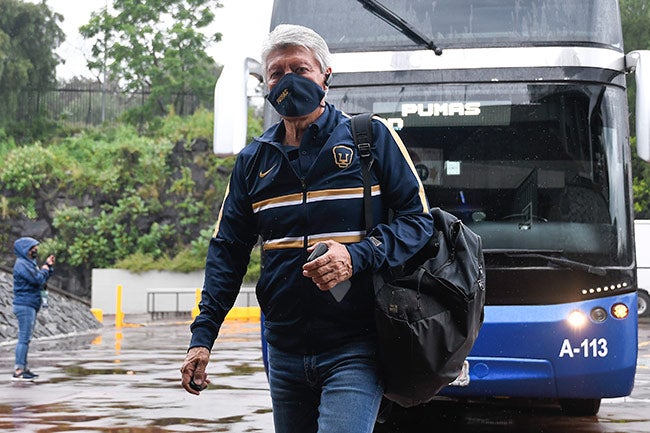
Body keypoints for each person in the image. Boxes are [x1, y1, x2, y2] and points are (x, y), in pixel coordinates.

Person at [180, 24, 433, 432]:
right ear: (266, 83)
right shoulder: (252, 162)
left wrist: (355, 255)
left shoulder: (371, 139)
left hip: (356, 344)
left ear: (326, 77)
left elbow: (418, 223)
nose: (288, 80)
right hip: (283, 350)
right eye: (277, 73)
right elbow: (227, 252)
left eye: (301, 68)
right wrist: (202, 337)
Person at [12, 237, 55, 381]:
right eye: (32, 248)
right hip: (24, 304)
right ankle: (19, 370)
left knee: (26, 338)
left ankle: (23, 367)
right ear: (24, 249)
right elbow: (37, 279)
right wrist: (44, 269)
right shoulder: (22, 264)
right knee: (23, 338)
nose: (34, 250)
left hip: (30, 303)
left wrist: (48, 267)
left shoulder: (29, 263)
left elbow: (41, 279)